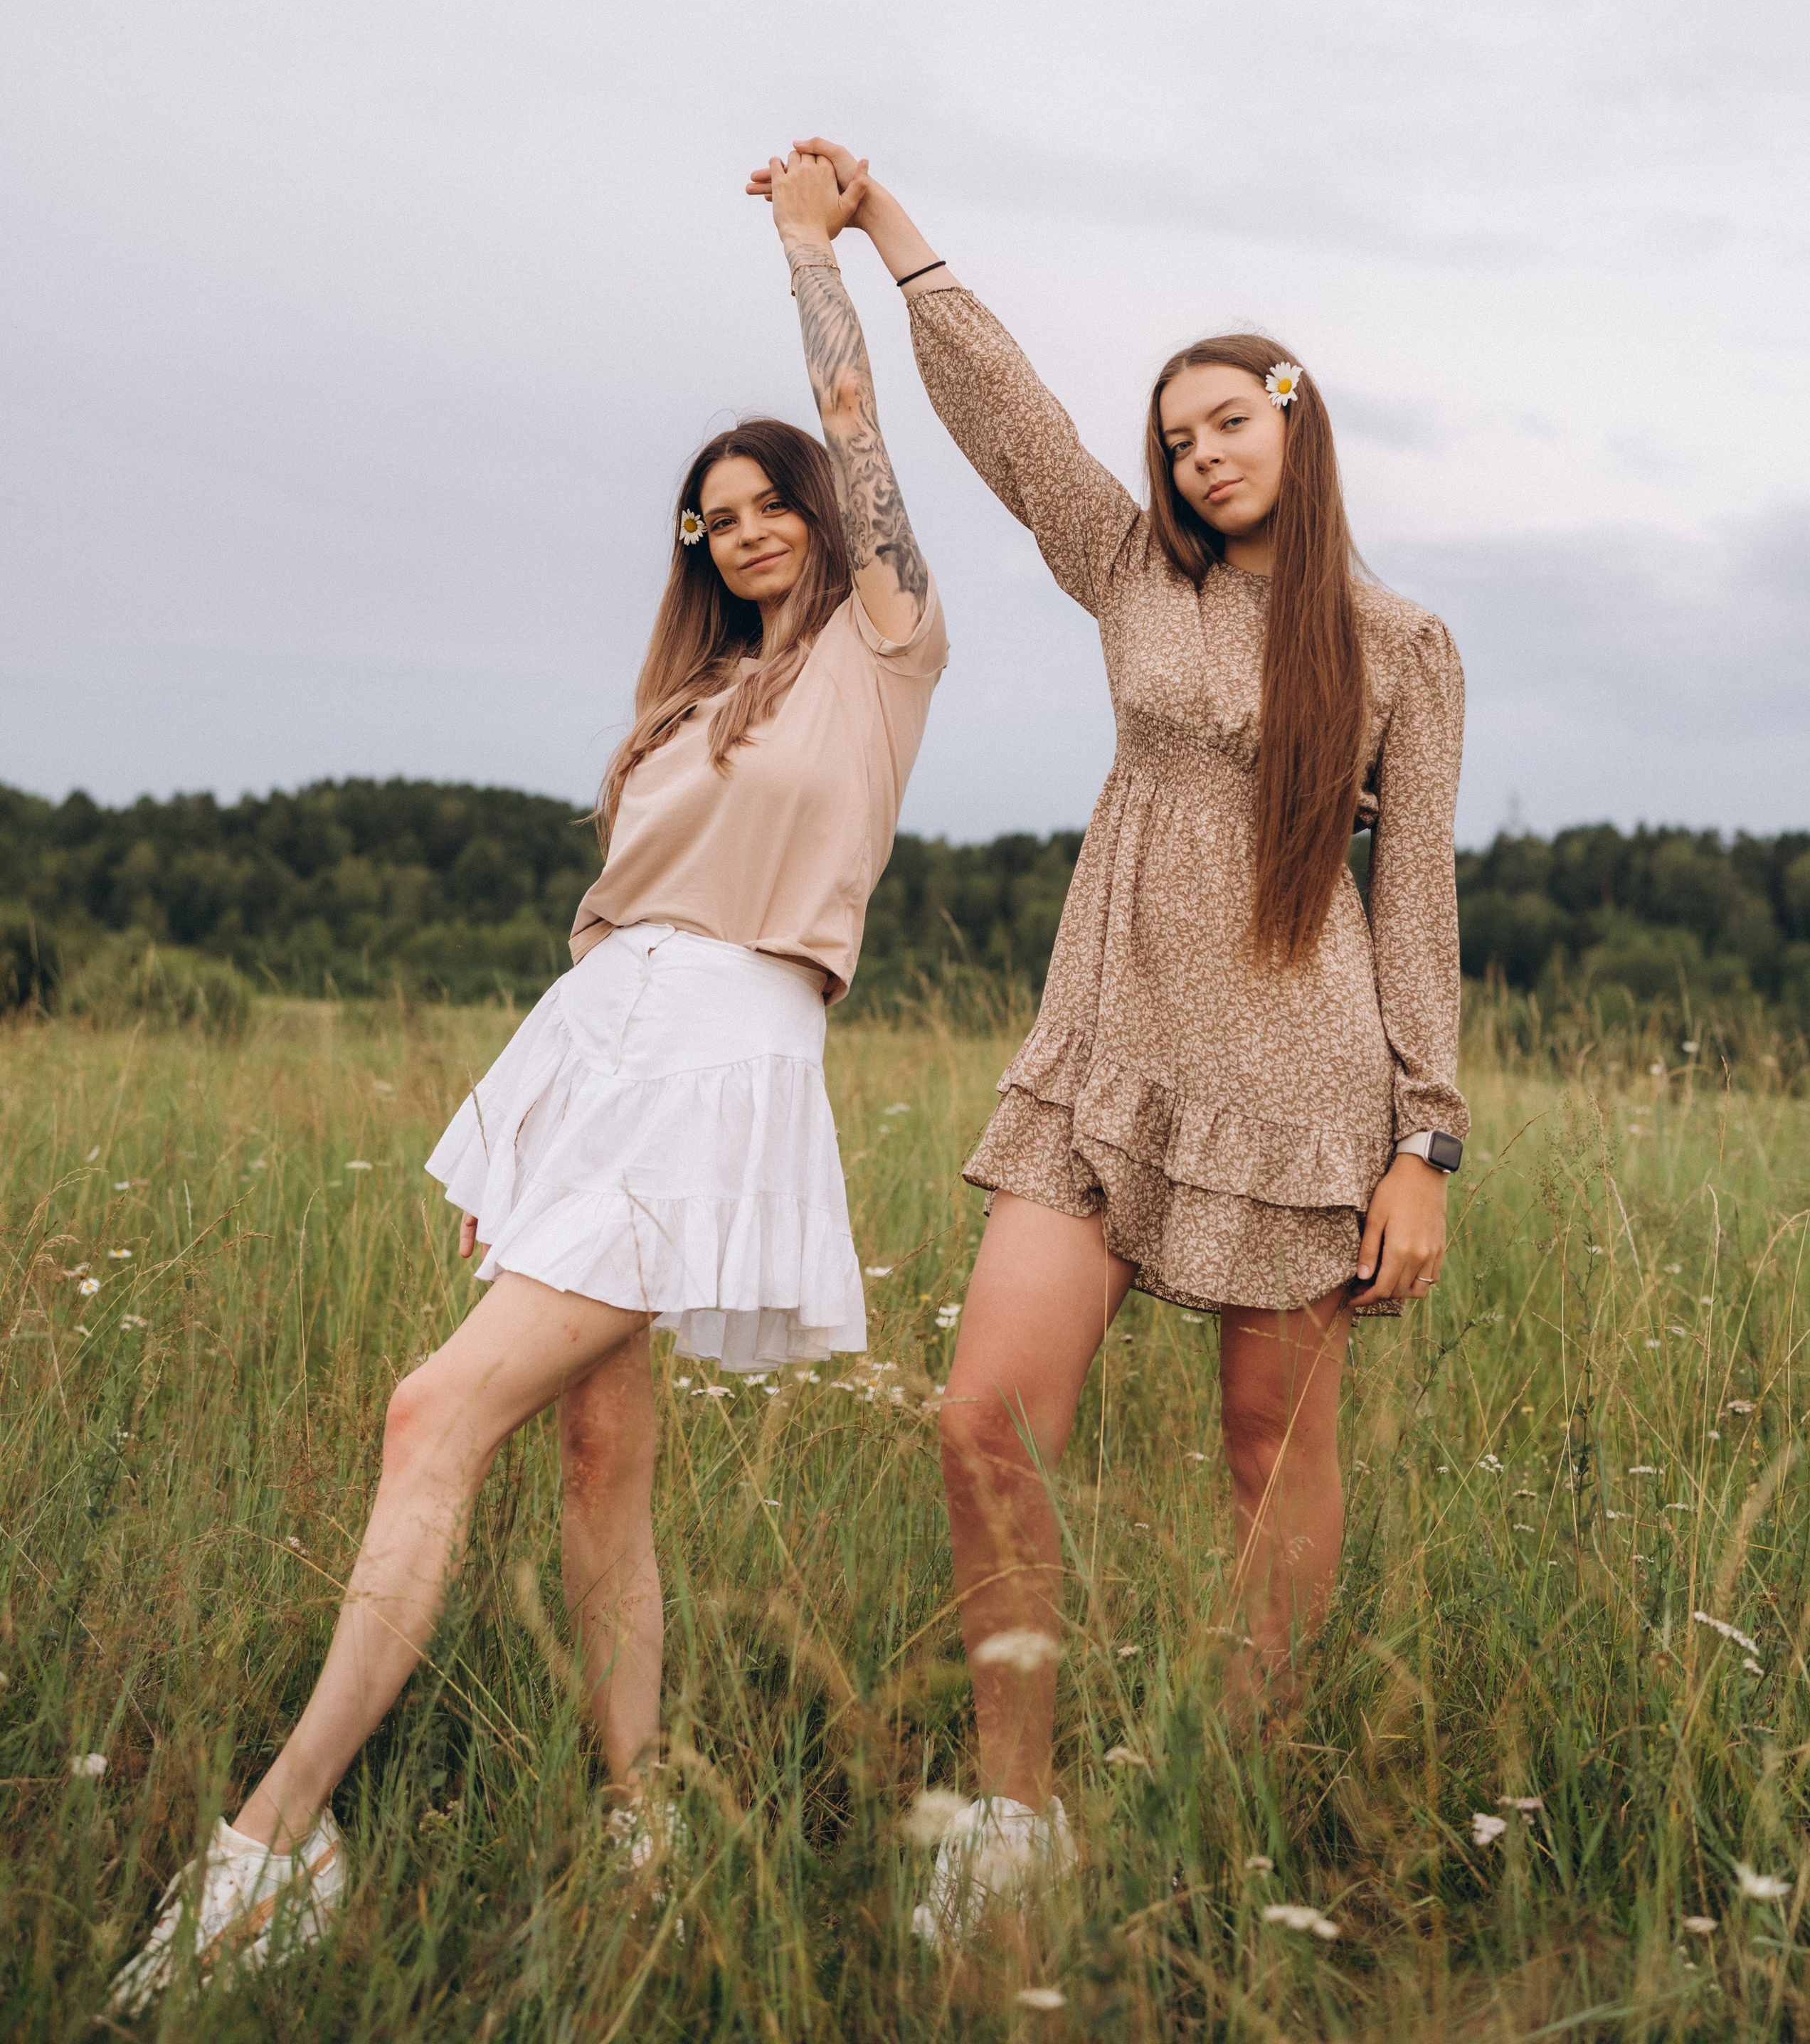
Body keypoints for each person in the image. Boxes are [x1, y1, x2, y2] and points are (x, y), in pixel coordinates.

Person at [110, 151, 946, 2008]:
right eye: (710, 520)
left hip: (717, 1072)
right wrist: (544, 1121)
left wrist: (819, 248)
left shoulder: (881, 656)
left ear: (820, 516)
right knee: (595, 1456)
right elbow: (608, 930)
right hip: (597, 1057)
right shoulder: (685, 708)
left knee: (431, 1413)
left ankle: (275, 1841)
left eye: (767, 505)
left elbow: (857, 415)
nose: (741, 533)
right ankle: (643, 1808)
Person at [749, 139, 1468, 1949]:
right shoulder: (1131, 570)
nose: (1197, 454)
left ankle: (1231, 1794)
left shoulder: (1398, 645)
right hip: (1104, 1054)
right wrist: (875, 230)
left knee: (1265, 1457)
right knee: (984, 1418)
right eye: (1176, 436)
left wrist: (1424, 1144)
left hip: (1304, 1092)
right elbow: (1009, 422)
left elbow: (1415, 903)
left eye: (1226, 422)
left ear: (1294, 426)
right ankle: (1012, 1812)